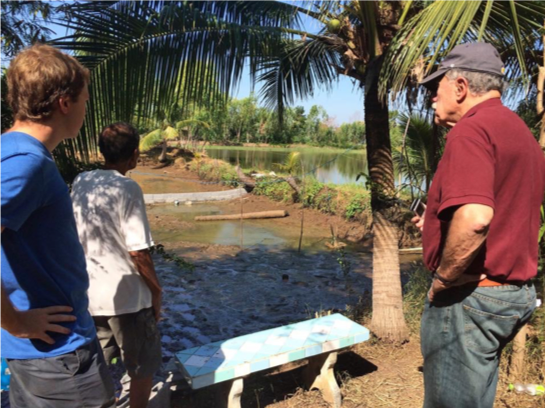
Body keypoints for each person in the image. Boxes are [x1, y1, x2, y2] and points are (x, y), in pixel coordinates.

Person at [414, 42, 545, 408]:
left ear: (460, 87)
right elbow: (507, 207)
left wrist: (442, 281)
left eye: (435, 89)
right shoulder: (520, 133)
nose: (431, 99)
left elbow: (475, 220)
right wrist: (436, 223)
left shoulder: (472, 130)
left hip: (472, 295)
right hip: (513, 295)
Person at [0, 44, 115, 407]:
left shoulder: (11, 150)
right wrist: (17, 323)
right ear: (65, 103)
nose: (86, 108)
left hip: (45, 354)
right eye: (85, 99)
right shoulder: (25, 163)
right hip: (57, 358)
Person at [71, 122, 162, 408]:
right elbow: (139, 253)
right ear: (134, 154)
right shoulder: (128, 187)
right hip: (128, 302)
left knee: (93, 365)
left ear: (102, 151)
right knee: (142, 366)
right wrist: (156, 293)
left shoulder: (82, 180)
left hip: (89, 295)